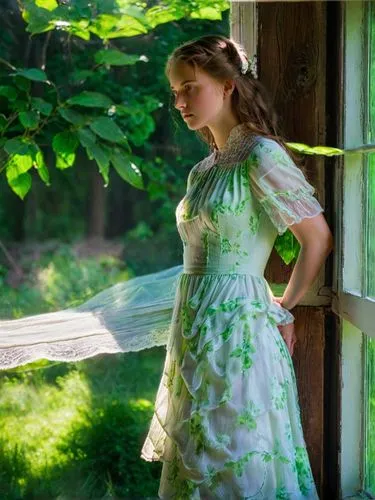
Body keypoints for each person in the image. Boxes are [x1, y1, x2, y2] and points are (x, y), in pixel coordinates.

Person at [139, 35, 333, 499]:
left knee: (236, 450)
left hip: (239, 325)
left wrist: (284, 306)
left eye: (190, 88)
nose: (180, 101)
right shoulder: (203, 170)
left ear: (227, 85)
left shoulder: (261, 155)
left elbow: (317, 238)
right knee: (197, 449)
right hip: (193, 326)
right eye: (175, 92)